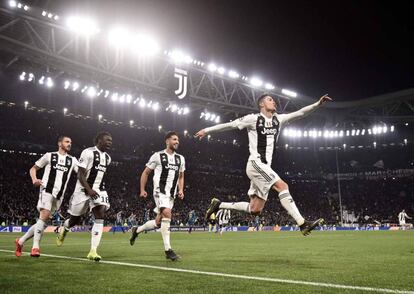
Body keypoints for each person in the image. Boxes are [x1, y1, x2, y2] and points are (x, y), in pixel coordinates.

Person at [195, 94, 332, 236]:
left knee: (255, 209)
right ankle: (302, 223)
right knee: (283, 186)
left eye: (273, 100)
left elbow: (300, 113)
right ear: (261, 104)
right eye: (270, 100)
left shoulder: (279, 119)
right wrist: (207, 130)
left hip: (264, 167)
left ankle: (218, 205)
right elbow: (230, 125)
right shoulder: (253, 119)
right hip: (256, 163)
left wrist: (317, 103)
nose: (274, 102)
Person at [15, 136, 77, 257]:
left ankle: (20, 241)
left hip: (59, 195)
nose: (69, 144)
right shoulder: (49, 156)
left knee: (43, 222)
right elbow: (33, 168)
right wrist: (34, 180)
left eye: (70, 142)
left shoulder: (72, 160)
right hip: (47, 190)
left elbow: (81, 173)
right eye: (67, 141)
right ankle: (35, 247)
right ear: (60, 143)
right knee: (43, 216)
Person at [56, 132, 112, 261]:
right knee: (74, 220)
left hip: (98, 190)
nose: (110, 142)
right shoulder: (88, 152)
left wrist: (96, 190)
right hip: (82, 190)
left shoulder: (108, 158)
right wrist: (89, 189)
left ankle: (93, 251)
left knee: (100, 214)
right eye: (107, 140)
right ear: (99, 140)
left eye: (111, 141)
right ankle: (64, 228)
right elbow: (80, 175)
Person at [129, 131, 185, 261]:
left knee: (158, 222)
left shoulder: (180, 159)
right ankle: (168, 250)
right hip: (160, 191)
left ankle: (137, 230)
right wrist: (142, 189)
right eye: (174, 139)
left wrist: (181, 189)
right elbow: (146, 173)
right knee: (167, 214)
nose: (177, 142)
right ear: (167, 141)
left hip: (171, 194)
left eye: (178, 140)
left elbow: (181, 176)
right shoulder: (157, 156)